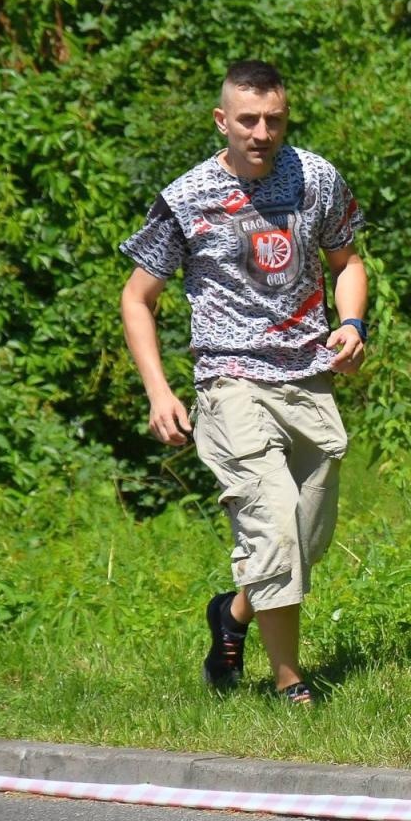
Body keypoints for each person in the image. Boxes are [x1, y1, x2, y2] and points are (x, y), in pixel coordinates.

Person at [119, 59, 367, 705]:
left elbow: (347, 262)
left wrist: (354, 324)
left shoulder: (316, 179)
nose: (262, 132)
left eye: (274, 120)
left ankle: (232, 617)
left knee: (307, 532)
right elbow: (136, 298)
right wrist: (159, 391)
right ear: (222, 121)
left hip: (306, 375)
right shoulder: (188, 197)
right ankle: (291, 683)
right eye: (249, 120)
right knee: (273, 522)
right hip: (229, 380)